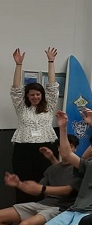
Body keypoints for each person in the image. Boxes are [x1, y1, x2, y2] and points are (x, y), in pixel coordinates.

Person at [0, 137, 80, 225]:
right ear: (58, 148)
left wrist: (43, 188)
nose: (67, 148)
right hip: (42, 204)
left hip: (59, 208)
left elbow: (67, 190)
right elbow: (36, 189)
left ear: (75, 148)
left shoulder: (79, 167)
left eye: (71, 146)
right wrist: (18, 184)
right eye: (63, 146)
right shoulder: (52, 169)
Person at [10, 47, 60, 203]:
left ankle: (42, 213)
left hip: (46, 149)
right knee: (23, 183)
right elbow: (16, 89)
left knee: (44, 182)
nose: (35, 97)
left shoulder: (49, 106)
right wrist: (18, 65)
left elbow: (52, 87)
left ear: (42, 95)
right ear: (27, 96)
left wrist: (51, 62)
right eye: (32, 94)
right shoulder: (21, 107)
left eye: (38, 94)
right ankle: (21, 213)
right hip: (24, 149)